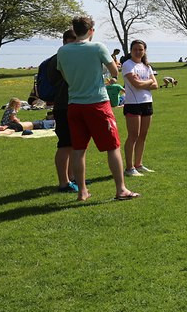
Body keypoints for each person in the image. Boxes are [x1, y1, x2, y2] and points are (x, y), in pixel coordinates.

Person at [56, 15, 139, 202]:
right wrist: (100, 69)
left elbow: (65, 75)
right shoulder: (98, 47)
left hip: (74, 105)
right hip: (97, 104)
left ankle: (82, 191)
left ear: (75, 30)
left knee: (79, 149)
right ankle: (121, 189)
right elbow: (114, 72)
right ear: (91, 30)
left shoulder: (63, 51)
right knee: (113, 147)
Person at [45, 29, 78, 192]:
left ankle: (73, 178)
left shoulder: (66, 57)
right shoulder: (59, 58)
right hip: (63, 105)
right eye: (72, 41)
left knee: (74, 144)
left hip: (74, 104)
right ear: (65, 41)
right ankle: (63, 182)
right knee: (65, 144)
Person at [121, 39, 158, 177]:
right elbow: (136, 84)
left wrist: (146, 82)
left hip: (147, 102)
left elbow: (156, 85)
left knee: (143, 135)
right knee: (133, 136)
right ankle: (129, 168)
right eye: (135, 49)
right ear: (131, 50)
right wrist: (149, 81)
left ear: (144, 51)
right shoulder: (127, 65)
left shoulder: (146, 66)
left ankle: (139, 164)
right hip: (132, 104)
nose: (138, 52)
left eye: (140, 49)